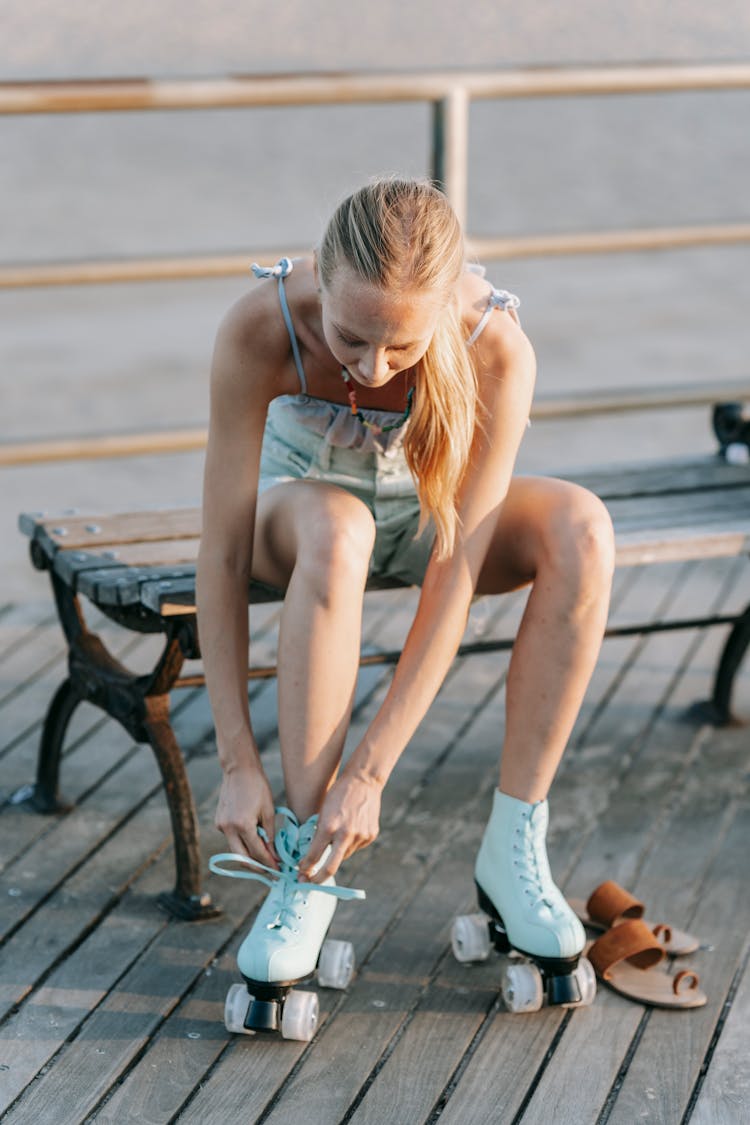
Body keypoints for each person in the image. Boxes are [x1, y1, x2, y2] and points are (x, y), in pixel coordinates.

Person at [198, 177, 615, 1003]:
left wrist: (372, 772)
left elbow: (454, 570)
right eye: (349, 337)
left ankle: (515, 846)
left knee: (583, 527)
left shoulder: (495, 344)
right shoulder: (262, 324)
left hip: (431, 520)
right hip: (305, 516)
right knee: (339, 530)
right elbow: (221, 551)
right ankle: (304, 862)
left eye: (402, 348)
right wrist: (237, 759)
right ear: (322, 279)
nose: (371, 366)